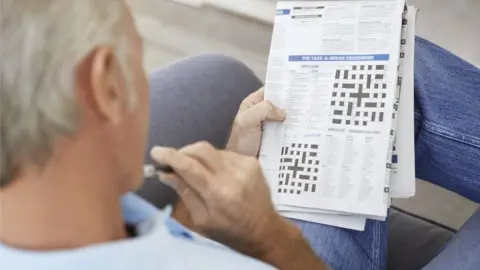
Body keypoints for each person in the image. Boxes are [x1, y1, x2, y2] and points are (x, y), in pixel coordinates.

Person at [0, 1, 478, 270]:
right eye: (136, 56)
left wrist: (222, 181)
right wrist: (269, 240)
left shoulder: (63, 203)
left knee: (388, 69)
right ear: (106, 85)